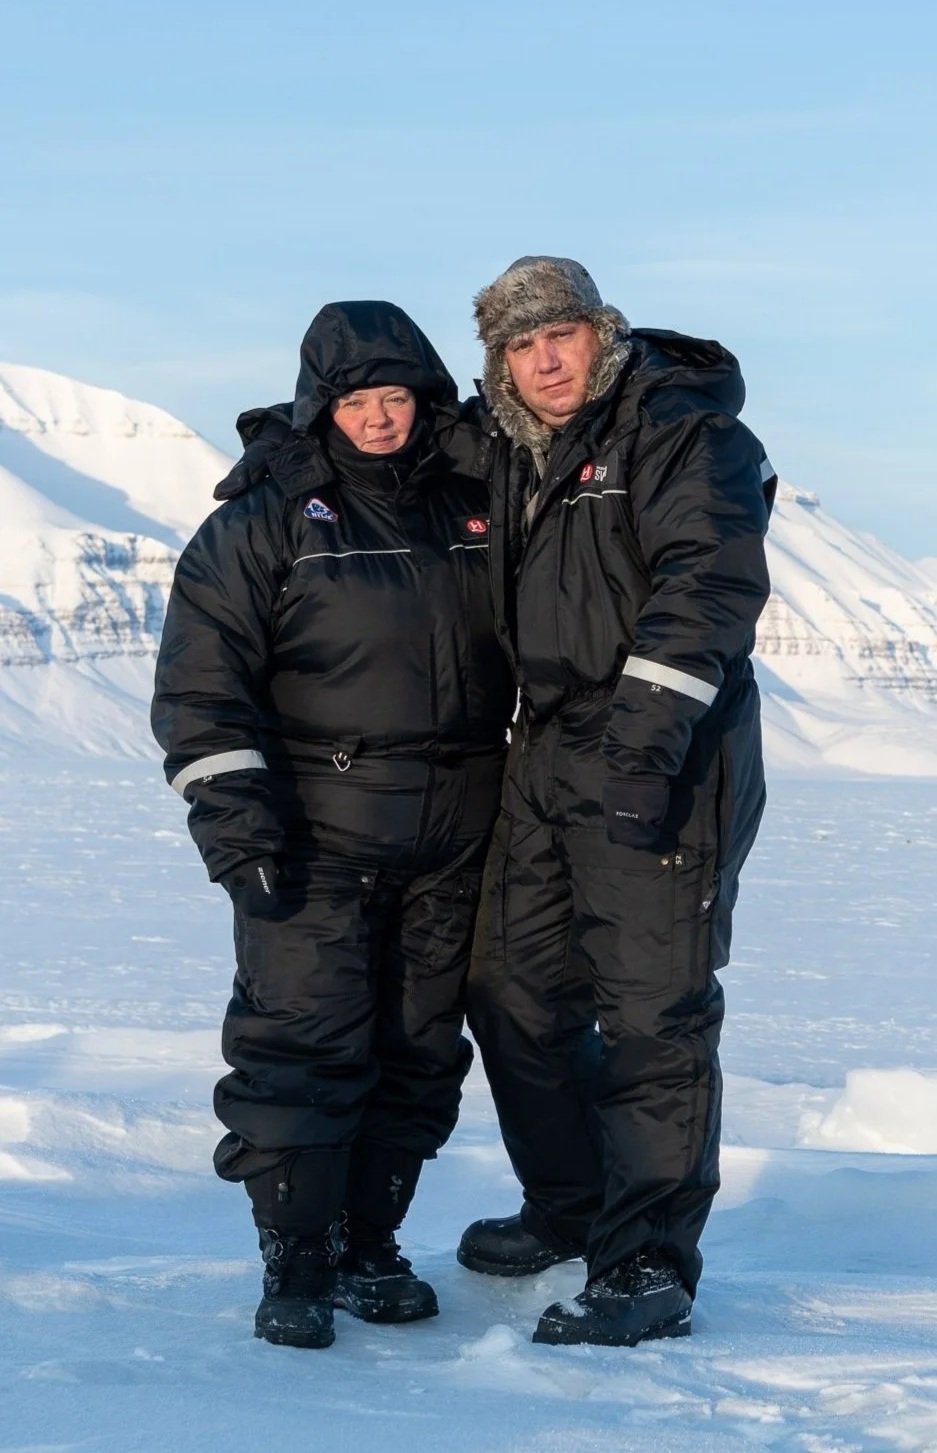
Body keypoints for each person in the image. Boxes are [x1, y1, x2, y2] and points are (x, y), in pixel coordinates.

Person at [151, 300, 515, 1350]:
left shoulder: (480, 500)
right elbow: (201, 690)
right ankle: (295, 1254)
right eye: (358, 400)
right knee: (304, 1043)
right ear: (323, 406)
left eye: (398, 396)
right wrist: (237, 827)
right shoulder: (264, 519)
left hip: (458, 827)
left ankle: (367, 1241)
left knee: (415, 1047)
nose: (381, 417)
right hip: (315, 832)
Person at [456, 256, 776, 1347]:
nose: (544, 360)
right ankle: (574, 1201)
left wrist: (643, 742)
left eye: (562, 336)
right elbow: (376, 433)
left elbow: (709, 585)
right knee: (509, 987)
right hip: (545, 753)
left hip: (666, 751)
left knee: (651, 1010)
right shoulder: (506, 445)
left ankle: (646, 1259)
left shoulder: (680, 431)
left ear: (603, 332)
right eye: (519, 345)